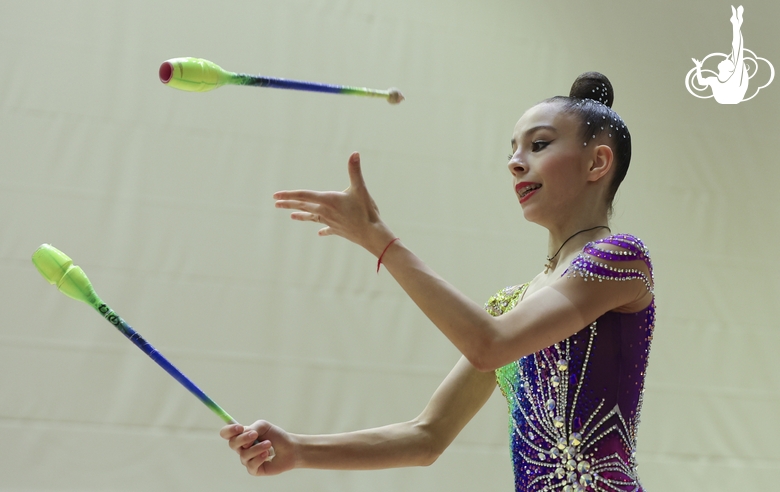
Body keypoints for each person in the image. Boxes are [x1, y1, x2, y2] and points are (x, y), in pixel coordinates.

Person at [220, 72, 654, 492]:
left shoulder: (620, 260)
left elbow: (489, 345)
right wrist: (299, 449)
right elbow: (426, 435)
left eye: (538, 145)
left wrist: (380, 240)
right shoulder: (510, 306)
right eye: (513, 151)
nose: (515, 163)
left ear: (597, 162)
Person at [692, 5, 749, 104]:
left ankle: (736, 24)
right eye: (728, 61)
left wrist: (698, 67)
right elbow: (701, 82)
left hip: (731, 96)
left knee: (737, 51)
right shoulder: (717, 80)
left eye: (727, 61)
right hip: (730, 97)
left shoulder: (722, 79)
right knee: (737, 52)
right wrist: (698, 67)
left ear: (729, 69)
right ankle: (736, 24)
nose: (724, 59)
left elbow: (701, 82)